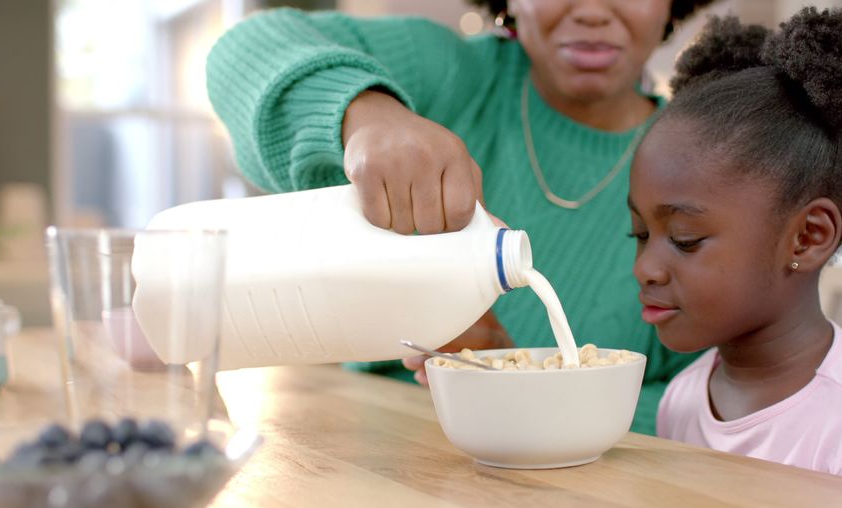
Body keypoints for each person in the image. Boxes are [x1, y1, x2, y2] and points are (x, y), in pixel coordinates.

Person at [206, 0, 716, 435]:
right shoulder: (450, 76)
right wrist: (368, 113)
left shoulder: (700, 175)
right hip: (355, 460)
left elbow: (704, 413)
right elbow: (244, 50)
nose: (591, 10)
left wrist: (505, 367)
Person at [629, 8, 842, 498]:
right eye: (638, 234)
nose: (646, 268)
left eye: (684, 239)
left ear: (807, 237)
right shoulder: (683, 400)